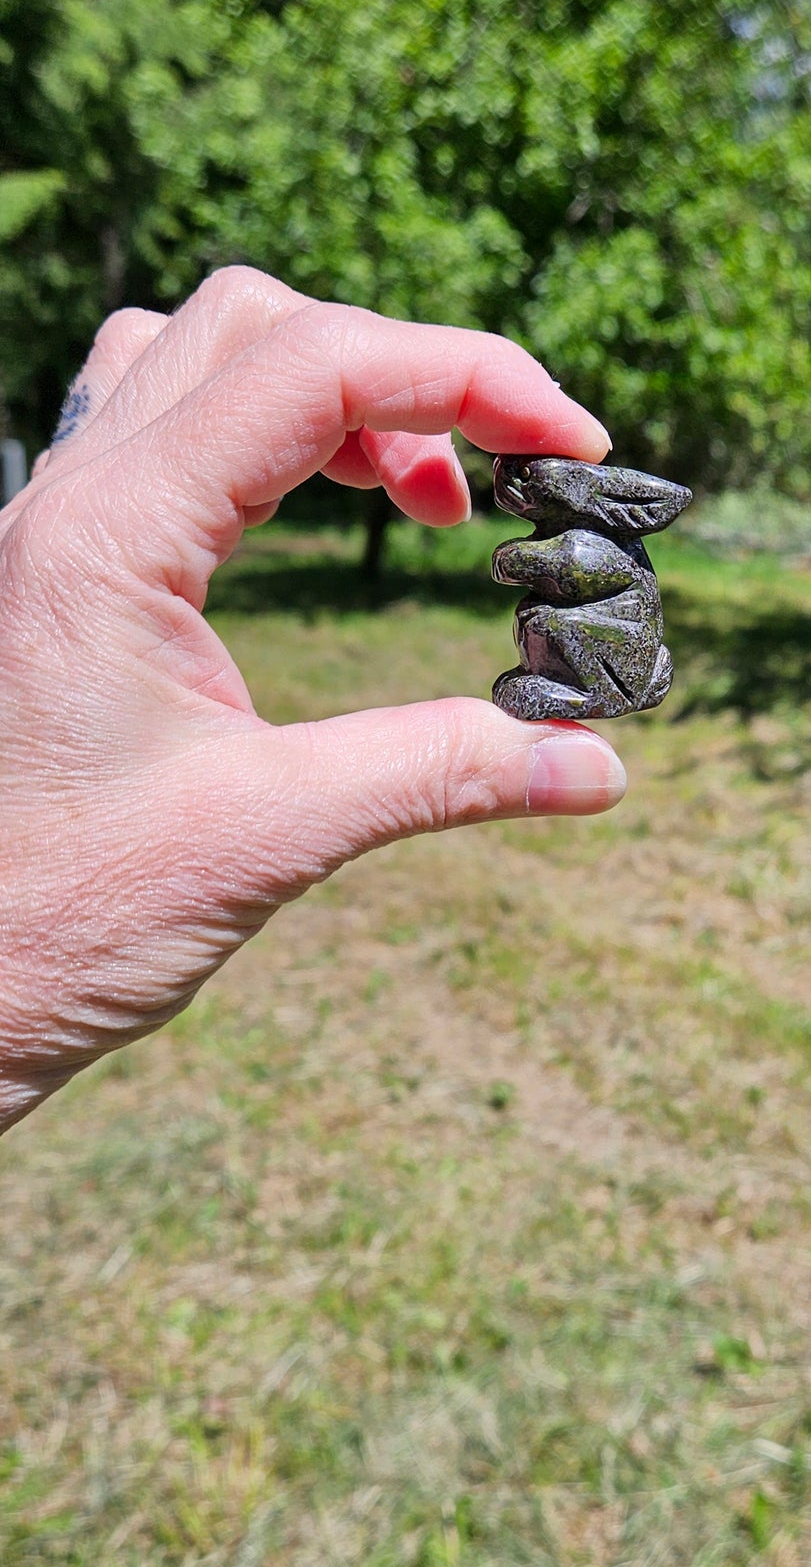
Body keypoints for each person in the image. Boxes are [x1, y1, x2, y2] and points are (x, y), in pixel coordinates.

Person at [0, 267, 627, 1135]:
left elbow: (565, 570)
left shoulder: (602, 552)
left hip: (600, 654)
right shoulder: (579, 532)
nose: (518, 500)